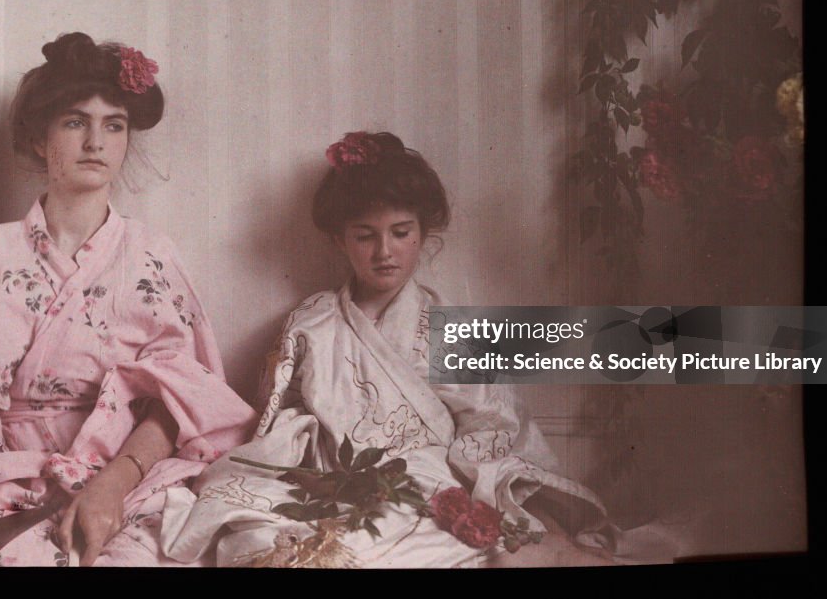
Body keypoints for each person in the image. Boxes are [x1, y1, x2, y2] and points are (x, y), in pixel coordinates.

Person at [160, 132, 670, 567]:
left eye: (400, 233)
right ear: (339, 240)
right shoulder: (309, 324)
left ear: (424, 234)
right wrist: (312, 456)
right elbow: (278, 422)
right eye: (365, 236)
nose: (384, 251)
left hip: (430, 485)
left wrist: (483, 496)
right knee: (256, 530)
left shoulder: (450, 328)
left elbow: (491, 430)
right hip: (329, 482)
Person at [0, 32, 258, 566]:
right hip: (15, 476)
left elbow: (183, 397)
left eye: (113, 125)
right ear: (37, 138)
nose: (95, 142)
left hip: (130, 470)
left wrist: (111, 485)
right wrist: (25, 481)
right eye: (76, 122)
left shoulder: (151, 255)